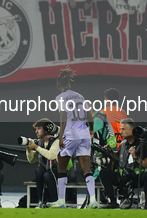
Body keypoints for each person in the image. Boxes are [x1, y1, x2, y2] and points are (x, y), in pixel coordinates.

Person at [48, 67, 97, 209]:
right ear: (69, 83)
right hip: (84, 134)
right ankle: (93, 200)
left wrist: (61, 135)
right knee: (86, 169)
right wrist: (92, 129)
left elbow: (63, 116)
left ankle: (61, 201)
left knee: (61, 167)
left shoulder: (60, 98)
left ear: (58, 85)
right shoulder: (80, 96)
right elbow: (88, 114)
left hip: (70, 134)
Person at [98, 118, 147, 209]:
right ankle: (112, 202)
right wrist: (109, 152)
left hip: (136, 178)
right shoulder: (123, 144)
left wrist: (135, 156)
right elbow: (119, 158)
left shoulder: (143, 144)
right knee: (104, 173)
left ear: (131, 130)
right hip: (122, 177)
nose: (120, 132)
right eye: (120, 129)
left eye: (123, 129)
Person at [25, 119, 59, 208]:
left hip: (59, 170)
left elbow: (51, 156)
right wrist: (29, 150)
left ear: (46, 129)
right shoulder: (40, 142)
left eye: (39, 128)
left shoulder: (57, 141)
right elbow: (31, 160)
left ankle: (55, 201)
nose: (36, 131)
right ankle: (41, 201)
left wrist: (36, 147)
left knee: (48, 175)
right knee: (39, 171)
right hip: (47, 169)